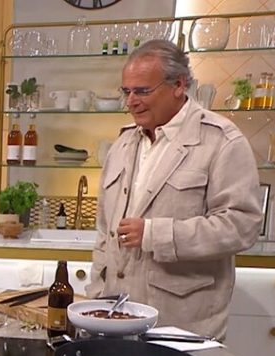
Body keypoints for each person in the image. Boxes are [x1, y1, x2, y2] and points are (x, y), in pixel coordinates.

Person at [85, 40, 262, 339]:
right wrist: (96, 294)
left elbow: (242, 226)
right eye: (126, 92)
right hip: (115, 318)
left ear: (178, 85)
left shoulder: (221, 141)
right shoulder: (123, 143)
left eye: (142, 91)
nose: (131, 102)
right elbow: (105, 232)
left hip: (182, 324)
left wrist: (156, 234)